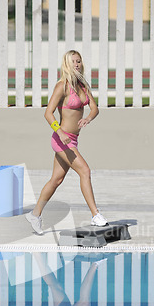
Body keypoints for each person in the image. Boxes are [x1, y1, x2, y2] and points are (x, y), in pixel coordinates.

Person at [26, 50, 108, 235]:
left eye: (79, 61)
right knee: (85, 171)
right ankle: (95, 214)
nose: (77, 64)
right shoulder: (62, 86)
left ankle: (35, 215)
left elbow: (94, 108)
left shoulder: (83, 86)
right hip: (61, 139)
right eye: (73, 62)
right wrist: (59, 130)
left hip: (73, 139)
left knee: (56, 179)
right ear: (66, 64)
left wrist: (88, 118)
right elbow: (48, 113)